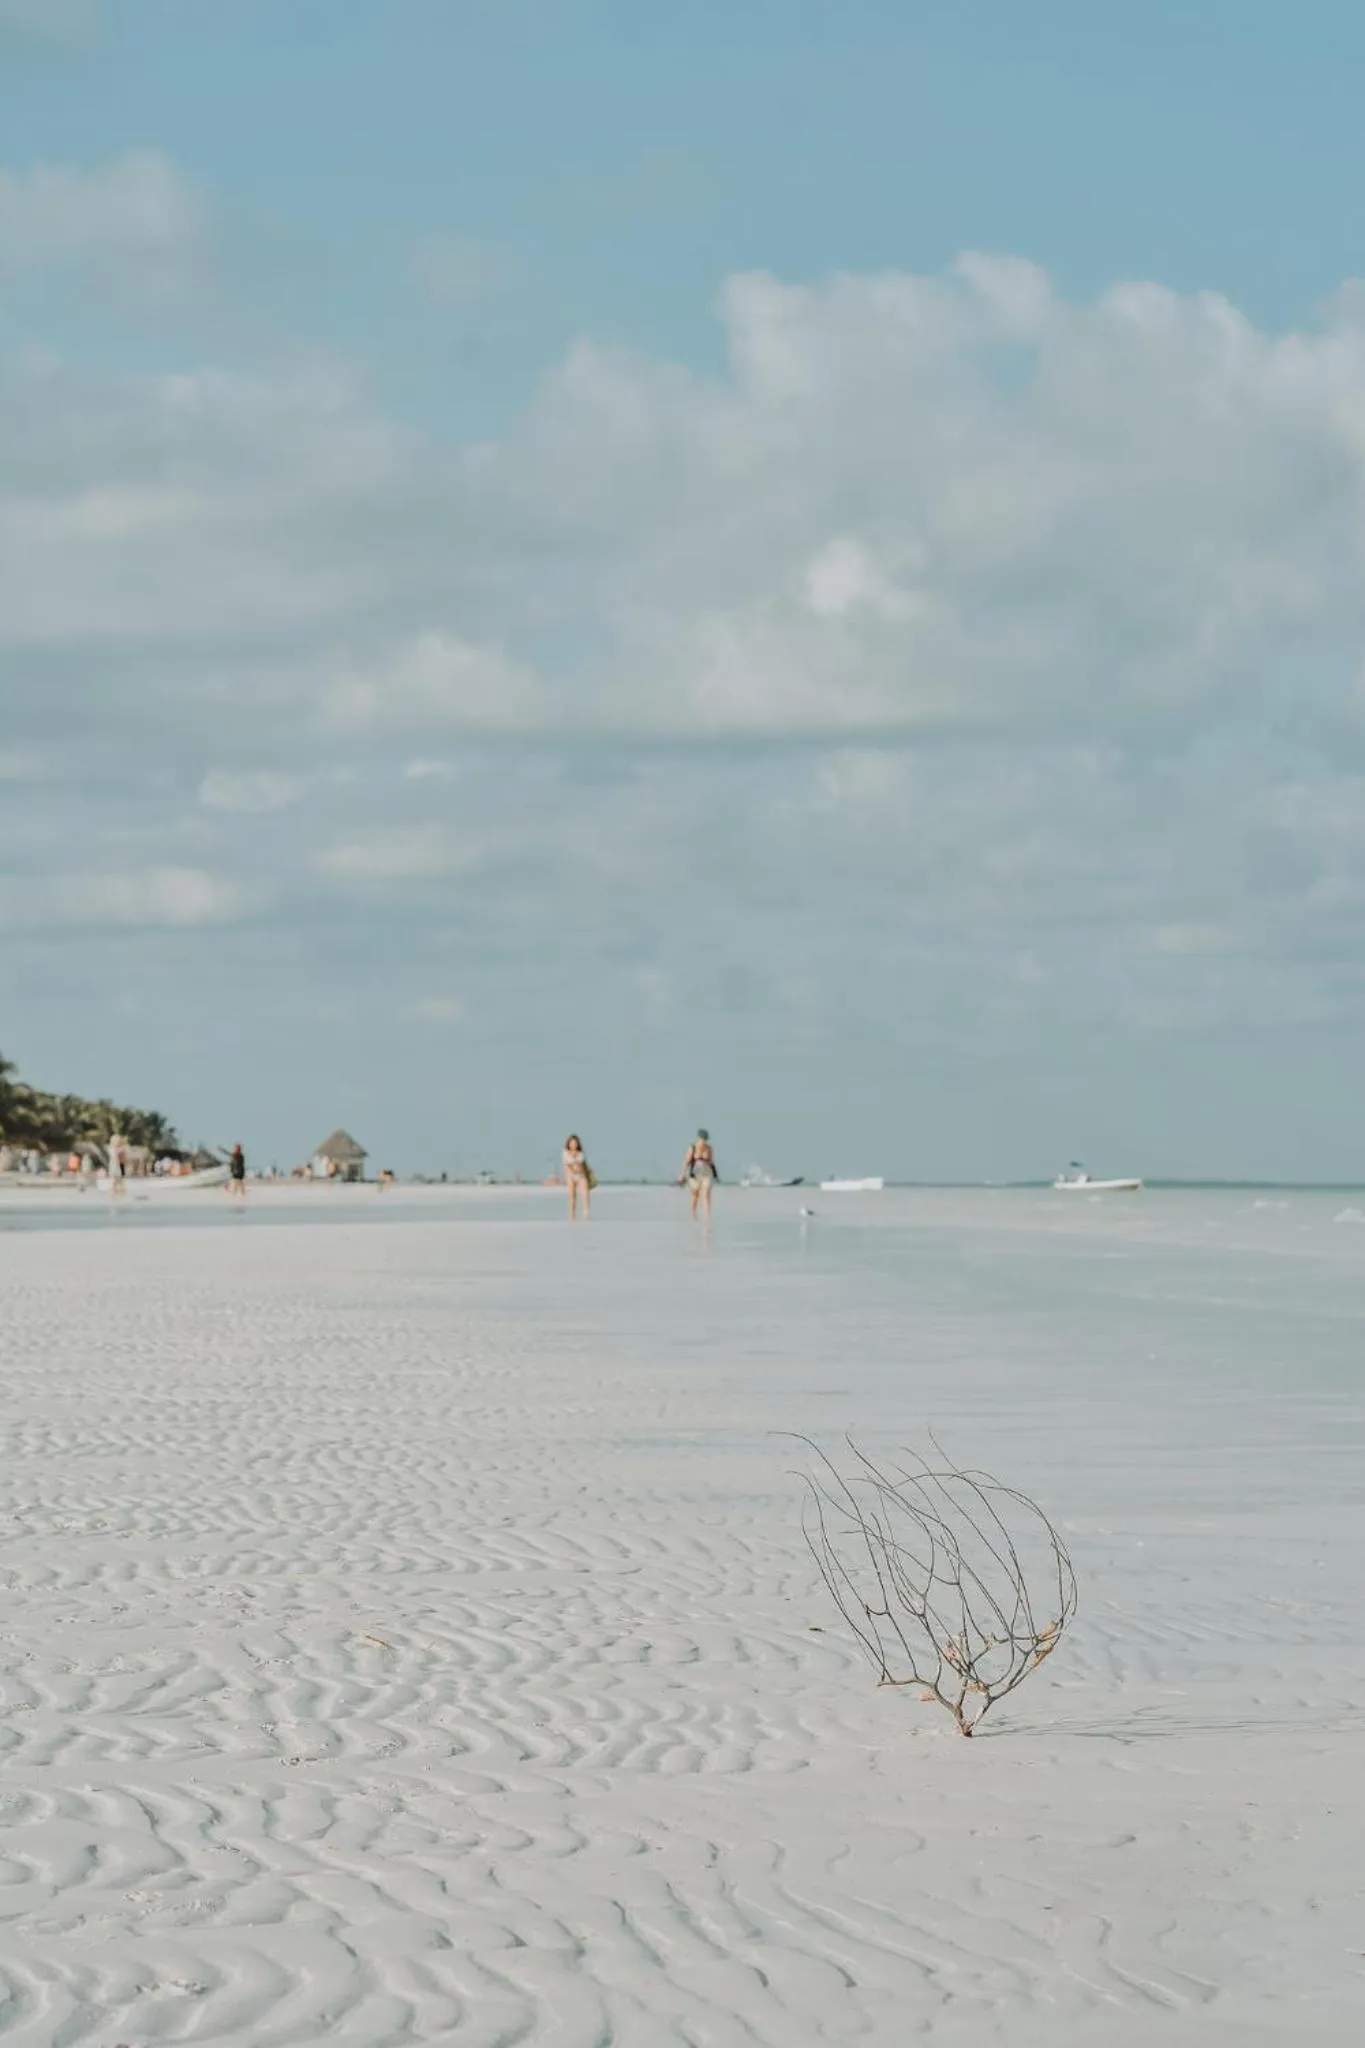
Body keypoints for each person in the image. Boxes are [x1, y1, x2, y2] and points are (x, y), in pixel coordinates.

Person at [679, 1128, 718, 1220]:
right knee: (695, 1195)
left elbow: (711, 1162)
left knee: (706, 1193)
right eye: (702, 1139)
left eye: (705, 1139)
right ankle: (693, 1215)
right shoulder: (692, 1148)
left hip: (706, 1174)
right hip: (695, 1174)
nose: (703, 1141)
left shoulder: (709, 1149)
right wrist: (682, 1174)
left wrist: (715, 1174)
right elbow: (686, 1162)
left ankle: (707, 1216)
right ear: (698, 1138)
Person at [562, 1133, 593, 1221]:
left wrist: (576, 1165)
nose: (573, 1144)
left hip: (581, 1176)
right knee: (572, 1196)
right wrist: (573, 1168)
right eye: (571, 1142)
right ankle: (572, 1215)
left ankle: (586, 1214)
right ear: (568, 1143)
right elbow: (566, 1165)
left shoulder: (581, 1153)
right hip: (570, 1176)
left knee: (585, 1195)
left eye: (575, 1143)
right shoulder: (565, 1153)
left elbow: (581, 1165)